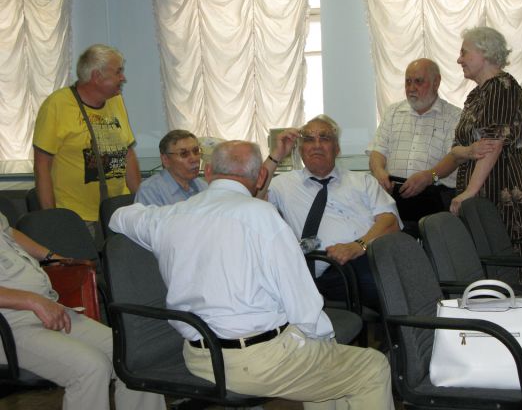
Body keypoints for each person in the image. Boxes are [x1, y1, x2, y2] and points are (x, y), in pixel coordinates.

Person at [109, 140, 393, 409]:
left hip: (199, 357)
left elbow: (119, 217)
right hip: (256, 362)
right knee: (371, 367)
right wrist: (325, 339)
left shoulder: (167, 216)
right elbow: (302, 304)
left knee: (325, 373)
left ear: (208, 172)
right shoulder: (263, 216)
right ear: (260, 178)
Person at [0, 212, 164, 410]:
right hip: (10, 324)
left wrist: (51, 257)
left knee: (135, 356)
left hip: (49, 307)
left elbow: (7, 231)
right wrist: (31, 300)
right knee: (91, 368)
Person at [265, 115, 401, 310]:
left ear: (337, 149)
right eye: (309, 139)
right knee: (392, 285)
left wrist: (358, 246)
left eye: (325, 138)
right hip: (332, 267)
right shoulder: (282, 185)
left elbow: (390, 221)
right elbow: (251, 197)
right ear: (301, 149)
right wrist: (276, 155)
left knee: (407, 269)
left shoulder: (363, 181)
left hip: (373, 254)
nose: (317, 145)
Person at [449, 26, 522, 284]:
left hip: (499, 192)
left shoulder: (501, 87)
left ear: (484, 52)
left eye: (464, 52)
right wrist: (468, 150)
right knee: (484, 272)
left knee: (505, 270)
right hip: (479, 195)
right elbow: (456, 149)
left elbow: (493, 143)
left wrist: (469, 192)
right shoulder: (476, 95)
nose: (459, 59)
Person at [33, 44, 141, 238]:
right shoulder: (56, 105)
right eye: (118, 72)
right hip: (76, 217)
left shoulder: (115, 100)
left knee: (121, 257)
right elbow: (42, 166)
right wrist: (53, 219)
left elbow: (128, 154)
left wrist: (140, 201)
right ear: (97, 76)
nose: (123, 78)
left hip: (118, 210)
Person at [368, 58, 460, 224]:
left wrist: (429, 176)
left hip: (434, 196)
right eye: (408, 82)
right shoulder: (393, 112)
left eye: (418, 81)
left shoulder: (454, 116)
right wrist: (379, 173)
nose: (411, 88)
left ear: (436, 82)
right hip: (392, 195)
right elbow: (377, 151)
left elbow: (454, 158)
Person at [135, 130, 207, 206]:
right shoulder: (149, 191)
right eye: (184, 153)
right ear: (165, 160)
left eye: (196, 151)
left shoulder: (203, 186)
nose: (194, 159)